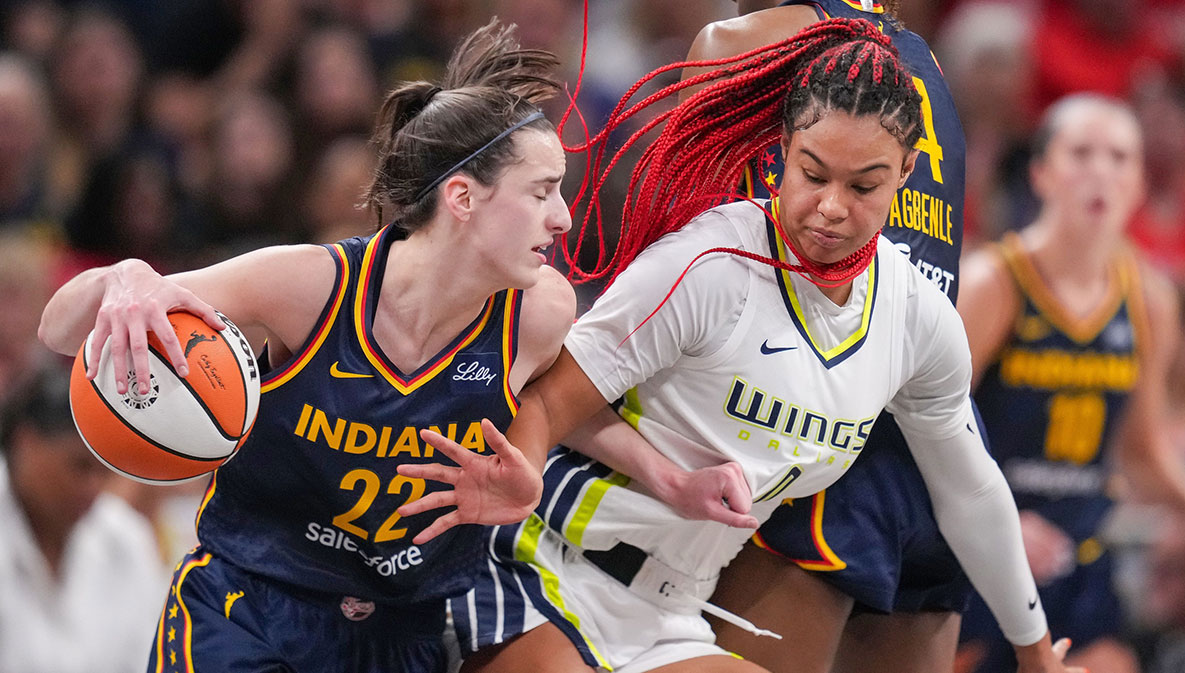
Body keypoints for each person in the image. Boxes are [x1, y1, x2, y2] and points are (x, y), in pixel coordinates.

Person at [398, 18, 1076, 673]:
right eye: (812, 174)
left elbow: (971, 489)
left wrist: (1035, 650)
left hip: (671, 611)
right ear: (782, 150)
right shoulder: (709, 264)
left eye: (863, 185)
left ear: (906, 171)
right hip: (545, 566)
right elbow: (545, 400)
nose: (832, 206)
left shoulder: (916, 316)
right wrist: (526, 468)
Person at [37, 21, 576, 672]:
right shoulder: (309, 286)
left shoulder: (539, 314)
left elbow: (570, 397)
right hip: (248, 606)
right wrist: (125, 277)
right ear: (462, 197)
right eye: (543, 191)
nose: (563, 217)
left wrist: (548, 473)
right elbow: (60, 327)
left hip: (402, 630)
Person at [671, 2, 978, 672]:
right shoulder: (928, 65)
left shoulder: (740, 42)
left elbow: (681, 263)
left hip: (815, 425)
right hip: (936, 454)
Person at [955, 94, 1185, 673]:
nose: (1101, 171)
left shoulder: (1149, 298)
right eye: (1081, 152)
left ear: (1140, 181)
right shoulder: (994, 281)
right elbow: (925, 426)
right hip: (980, 557)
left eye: (1120, 157)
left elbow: (1140, 452)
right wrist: (999, 519)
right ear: (1040, 172)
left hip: (1081, 562)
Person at [0, 360, 167, 673]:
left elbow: (149, 660)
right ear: (27, 442)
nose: (93, 488)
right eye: (79, 467)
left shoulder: (125, 539)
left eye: (104, 472)